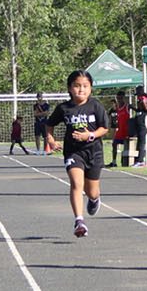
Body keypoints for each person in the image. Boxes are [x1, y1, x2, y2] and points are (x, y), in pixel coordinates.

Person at [45, 70, 110, 239]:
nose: (81, 90)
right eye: (77, 86)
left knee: (92, 191)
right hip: (74, 152)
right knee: (76, 183)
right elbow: (49, 124)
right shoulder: (64, 108)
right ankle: (79, 221)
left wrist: (89, 135)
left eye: (85, 86)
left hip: (94, 152)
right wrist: (51, 140)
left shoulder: (95, 106)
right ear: (69, 88)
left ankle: (95, 199)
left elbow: (104, 128)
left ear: (91, 88)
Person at [108, 90, 130, 168]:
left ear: (124, 98)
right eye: (118, 98)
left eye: (121, 98)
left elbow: (137, 110)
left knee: (126, 145)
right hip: (120, 129)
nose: (120, 100)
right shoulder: (117, 107)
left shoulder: (127, 106)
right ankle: (114, 161)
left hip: (127, 130)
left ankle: (124, 161)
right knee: (114, 144)